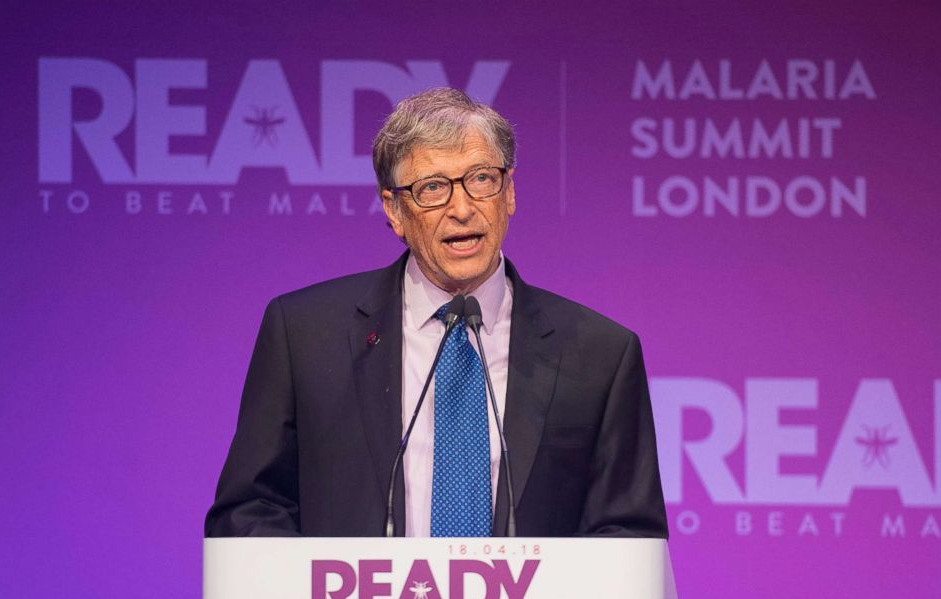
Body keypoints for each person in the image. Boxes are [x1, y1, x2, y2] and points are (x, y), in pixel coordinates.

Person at [205, 88, 667, 538]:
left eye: (481, 179)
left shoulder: (600, 353)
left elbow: (627, 534)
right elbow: (250, 510)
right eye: (432, 188)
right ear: (395, 211)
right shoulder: (305, 335)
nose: (462, 208)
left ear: (509, 193)